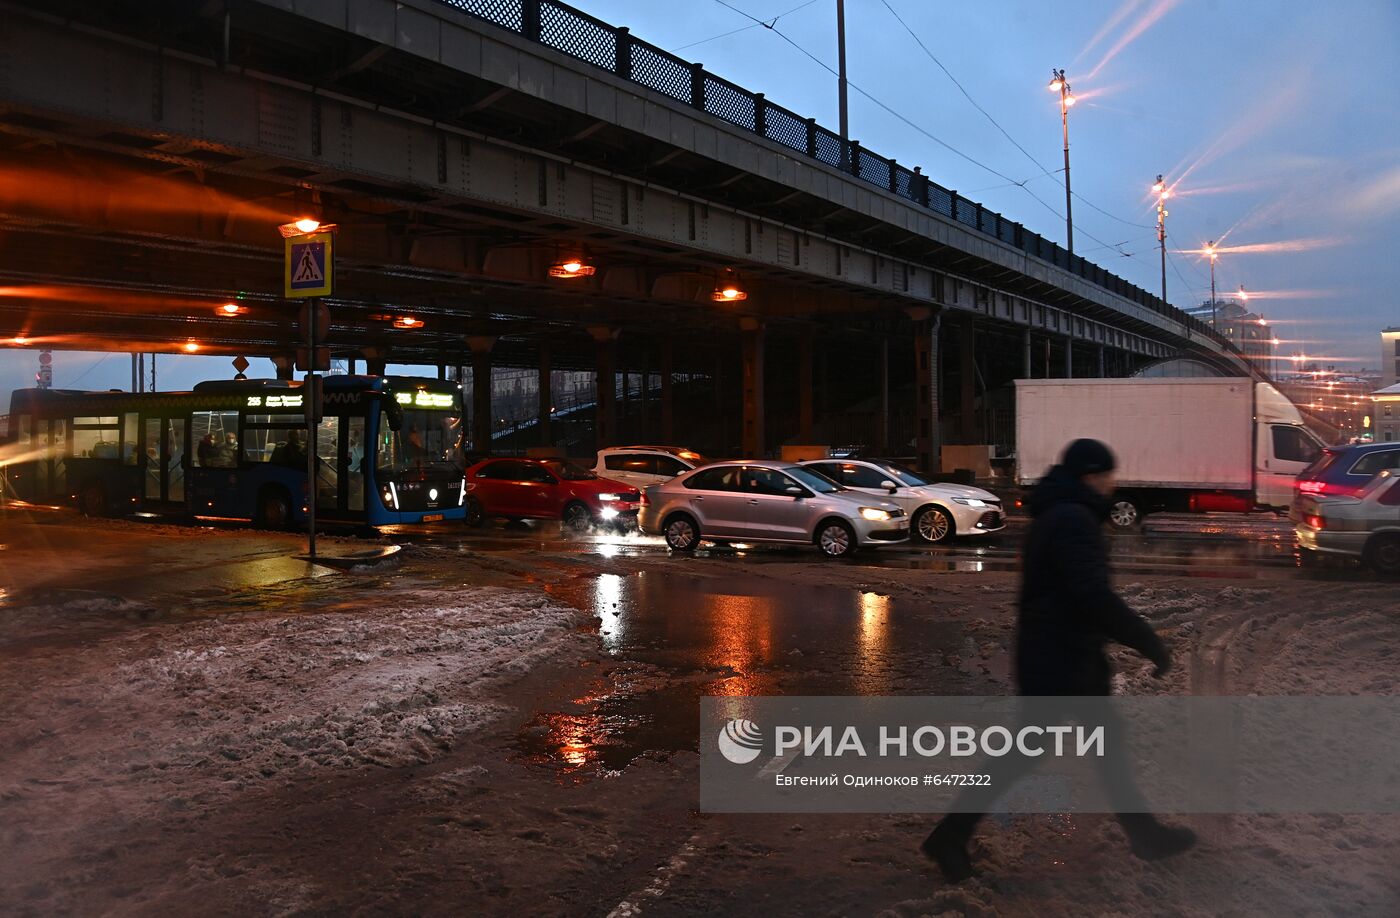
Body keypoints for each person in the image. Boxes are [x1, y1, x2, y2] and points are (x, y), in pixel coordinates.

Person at [922, 438, 1196, 882]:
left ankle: (1144, 833)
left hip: (1064, 656)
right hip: (1059, 660)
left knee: (1099, 749)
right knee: (1026, 755)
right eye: (1109, 473)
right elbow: (1091, 595)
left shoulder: (1064, 511)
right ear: (1092, 476)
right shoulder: (1073, 518)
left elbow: (1078, 595)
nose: (1115, 481)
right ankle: (948, 837)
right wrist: (1148, 640)